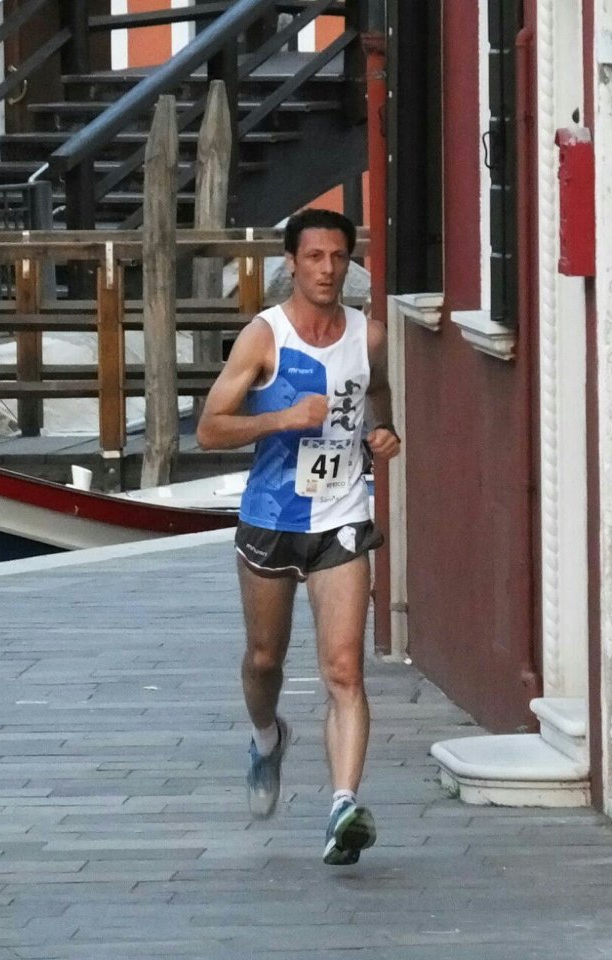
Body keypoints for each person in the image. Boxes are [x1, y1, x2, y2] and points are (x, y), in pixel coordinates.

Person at [196, 209, 400, 866]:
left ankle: (343, 805)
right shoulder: (265, 337)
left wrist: (384, 434)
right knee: (264, 661)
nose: (327, 269)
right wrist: (282, 417)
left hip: (340, 517)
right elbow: (208, 430)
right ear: (291, 262)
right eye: (314, 257)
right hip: (270, 518)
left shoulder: (369, 338)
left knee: (344, 669)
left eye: (338, 257)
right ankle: (265, 737)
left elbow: (380, 396)